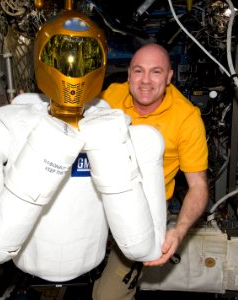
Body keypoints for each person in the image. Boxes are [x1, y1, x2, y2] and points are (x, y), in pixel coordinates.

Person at [0, 8, 167, 284]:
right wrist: (49, 148)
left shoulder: (128, 136)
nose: (73, 68)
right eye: (63, 56)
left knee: (147, 139)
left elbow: (143, 246)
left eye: (84, 58)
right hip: (30, 259)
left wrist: (108, 146)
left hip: (90, 257)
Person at [92, 43, 209, 299]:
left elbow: (198, 186)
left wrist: (178, 231)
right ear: (129, 74)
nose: (145, 81)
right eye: (138, 71)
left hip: (141, 212)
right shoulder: (110, 98)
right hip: (98, 199)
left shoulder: (186, 118)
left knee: (106, 297)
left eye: (156, 72)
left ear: (169, 77)